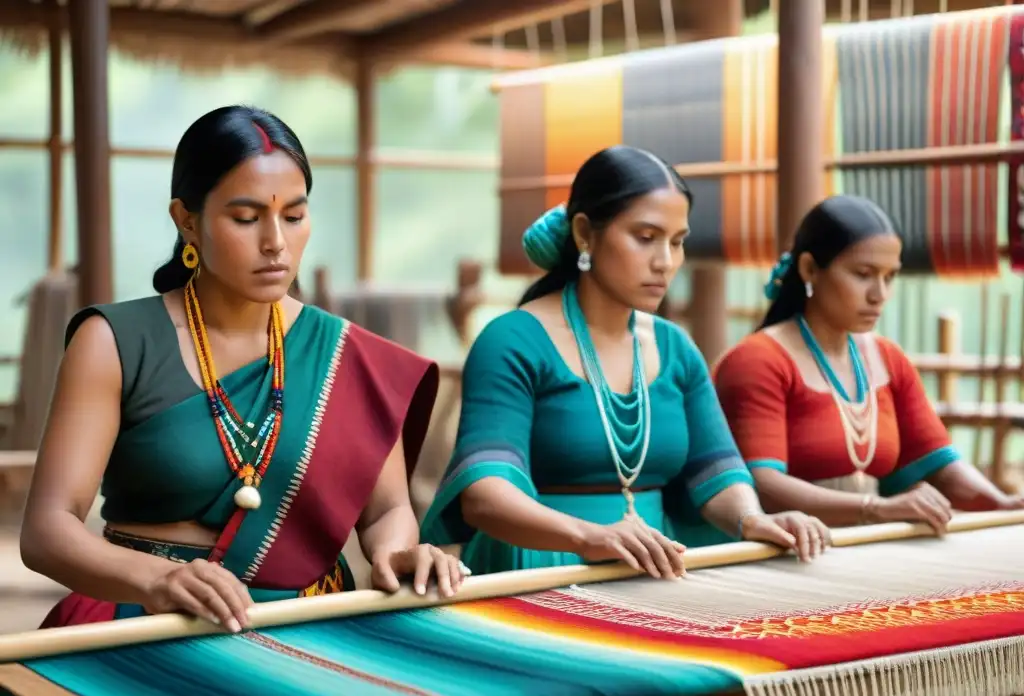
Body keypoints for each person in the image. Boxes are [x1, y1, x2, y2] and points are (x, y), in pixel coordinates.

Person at [20, 106, 465, 634]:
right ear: (187, 220)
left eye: (294, 216)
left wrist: (400, 553)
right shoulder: (114, 342)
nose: (276, 241)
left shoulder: (346, 356)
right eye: (247, 218)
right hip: (145, 619)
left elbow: (387, 511)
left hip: (307, 625)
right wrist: (157, 579)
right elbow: (47, 530)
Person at [420, 145, 830, 578]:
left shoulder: (675, 348)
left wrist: (754, 520)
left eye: (678, 242)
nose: (666, 262)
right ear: (584, 234)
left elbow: (718, 471)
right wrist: (589, 537)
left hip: (655, 568)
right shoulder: (513, 341)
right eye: (645, 238)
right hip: (536, 573)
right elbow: (485, 495)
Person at [714, 194, 1024, 532]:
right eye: (863, 274)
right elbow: (763, 484)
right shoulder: (758, 361)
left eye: (889, 277)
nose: (879, 294)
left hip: (868, 548)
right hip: (788, 551)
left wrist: (1002, 503)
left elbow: (939, 463)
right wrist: (876, 508)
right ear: (809, 269)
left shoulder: (887, 359)